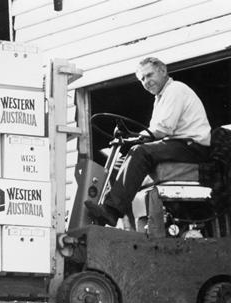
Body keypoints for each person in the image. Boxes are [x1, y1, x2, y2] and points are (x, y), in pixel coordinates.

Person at [85, 57, 211, 226]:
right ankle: (124, 221)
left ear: (163, 71)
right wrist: (134, 139)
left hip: (192, 146)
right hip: (178, 144)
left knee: (139, 152)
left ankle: (111, 211)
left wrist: (135, 138)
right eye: (142, 79)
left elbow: (162, 129)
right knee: (124, 161)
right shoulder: (160, 98)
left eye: (149, 75)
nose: (146, 82)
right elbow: (156, 130)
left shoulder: (175, 90)